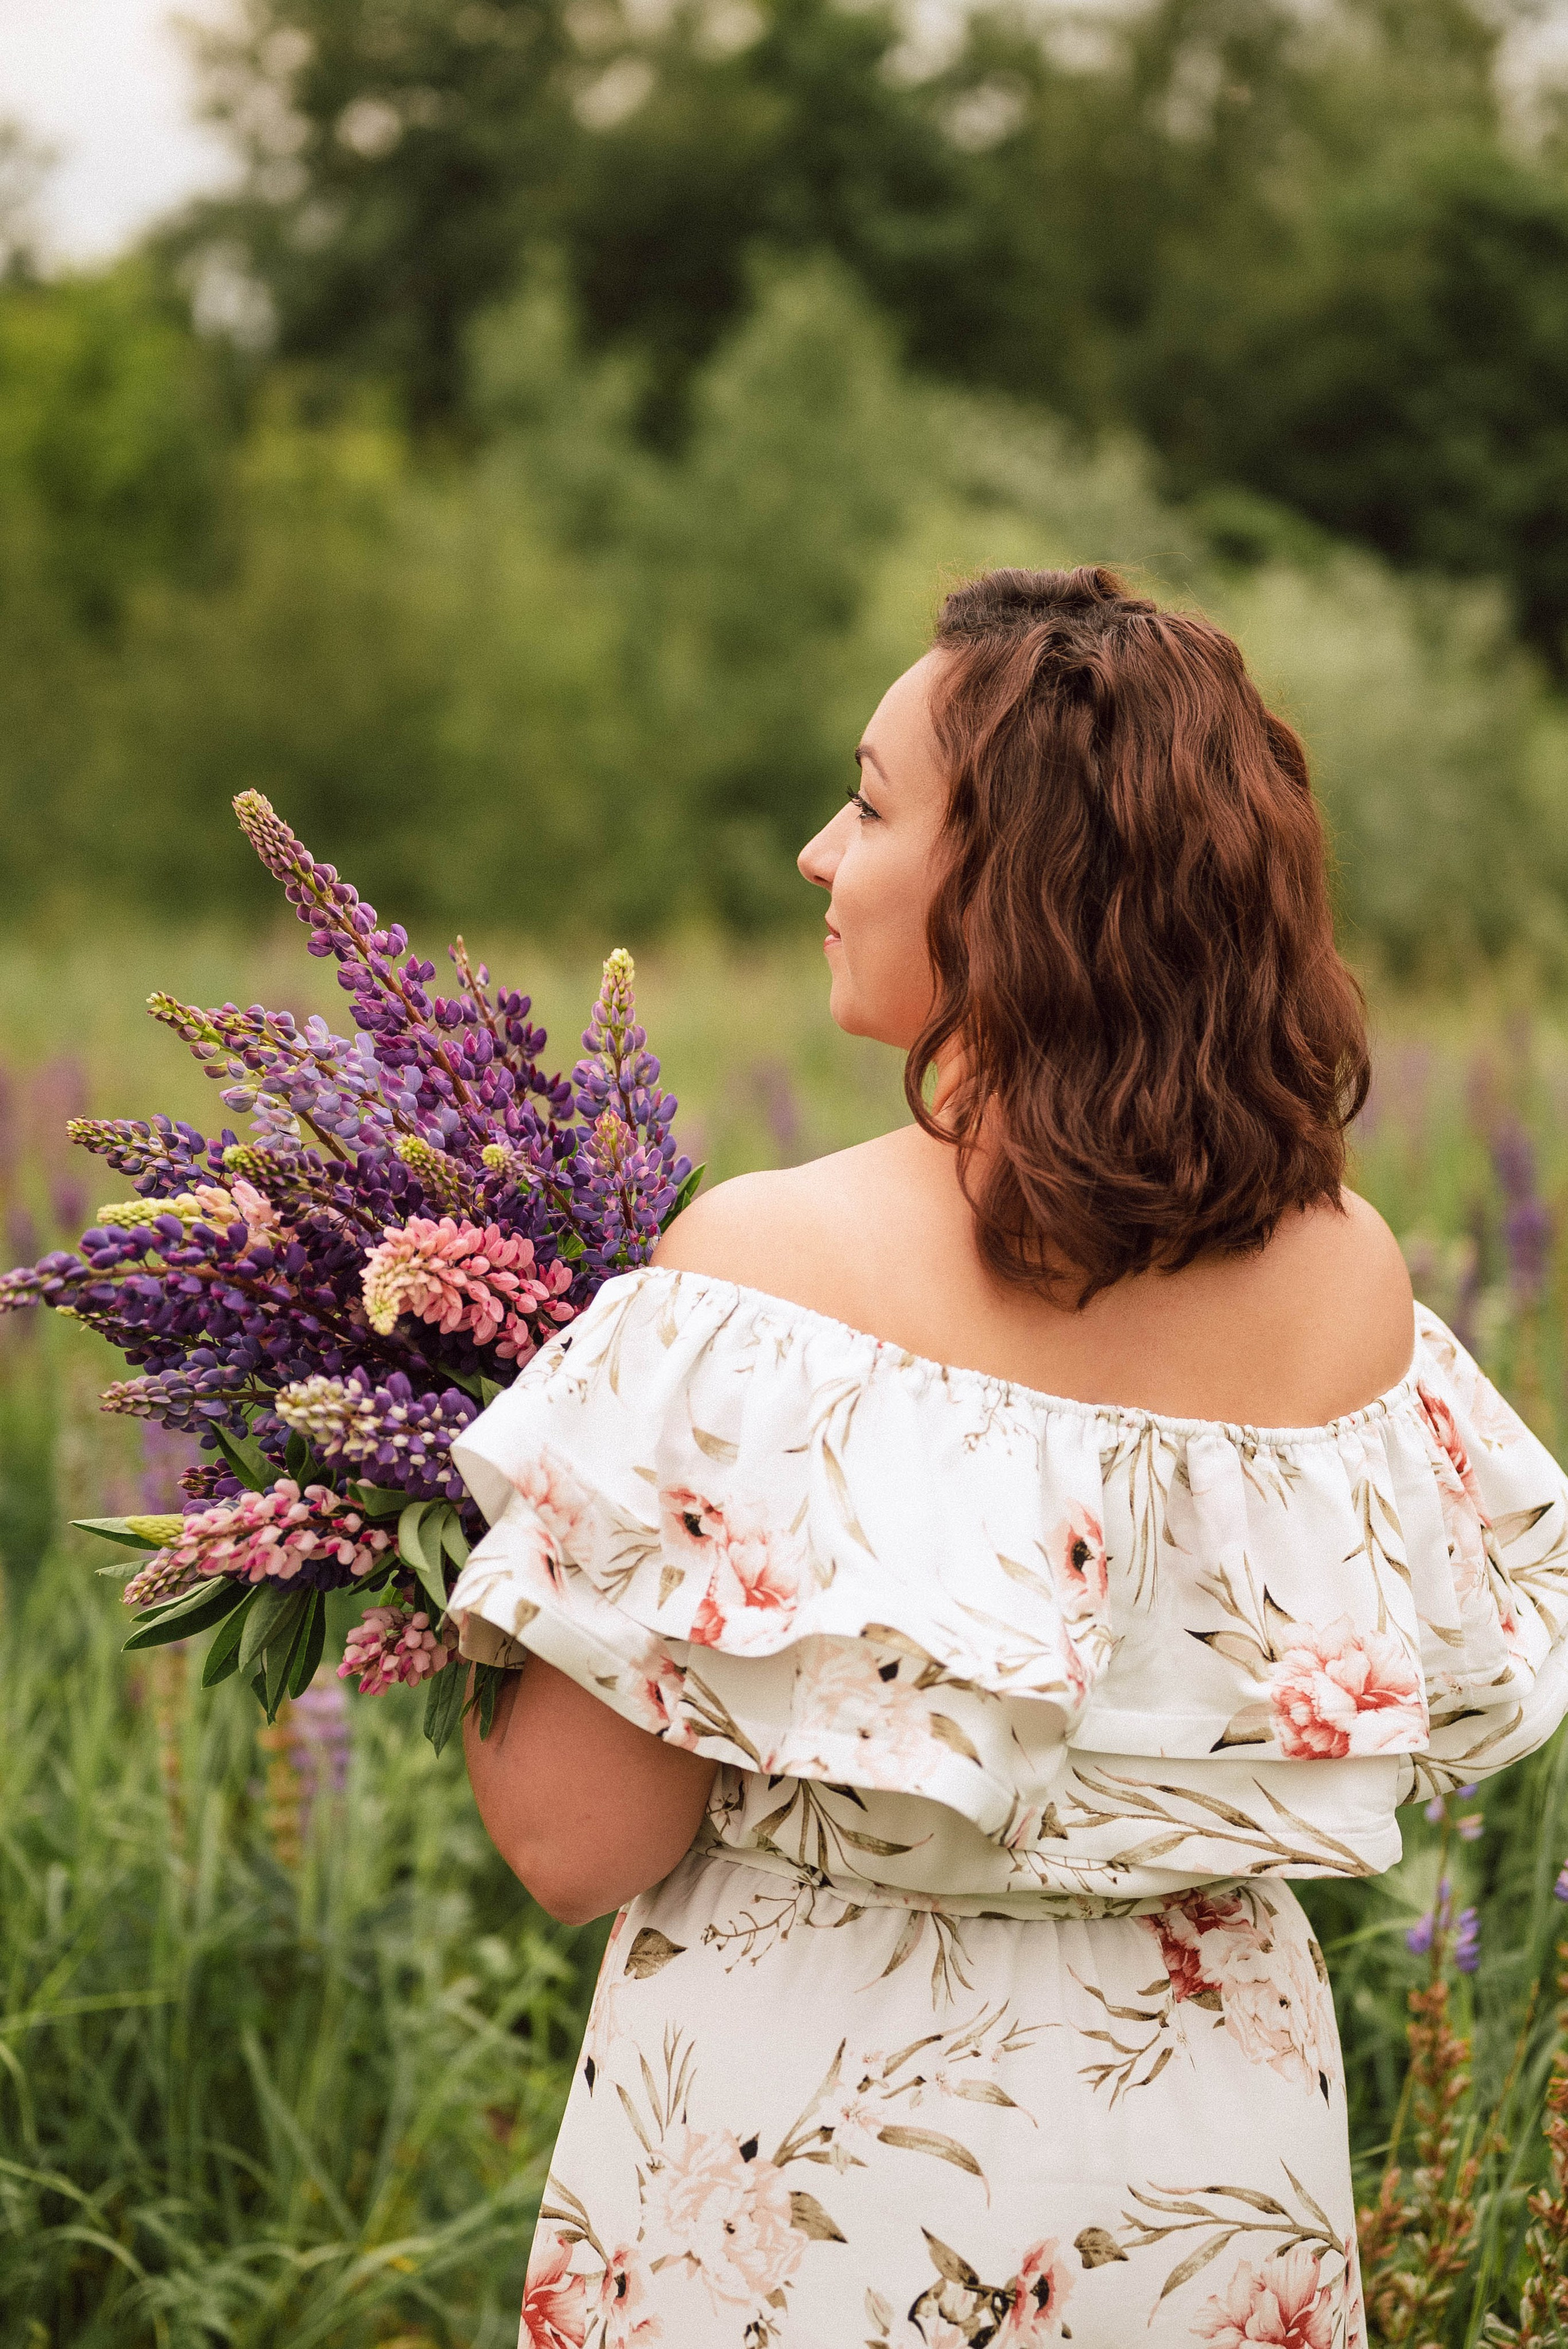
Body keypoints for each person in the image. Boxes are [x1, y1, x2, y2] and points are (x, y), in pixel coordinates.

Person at [451, 565, 1568, 2348]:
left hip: (806, 2169)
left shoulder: (760, 1275)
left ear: (1020, 887)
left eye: (875, 807)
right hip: (1213, 2170)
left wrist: (478, 1506)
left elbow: (576, 1838)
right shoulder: (1357, 1287)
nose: (822, 853)